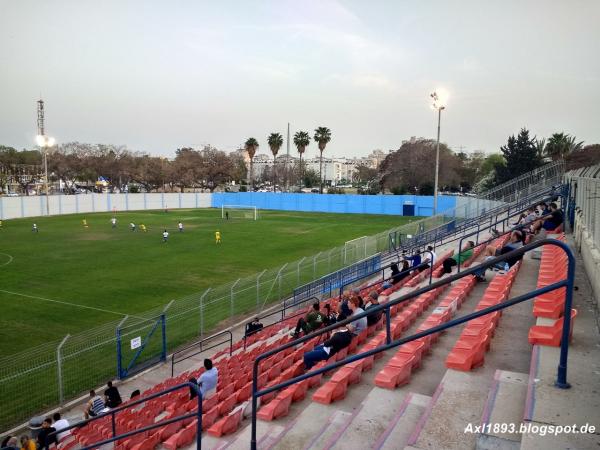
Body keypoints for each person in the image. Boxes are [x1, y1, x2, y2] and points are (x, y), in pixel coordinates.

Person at [303, 297, 367, 370]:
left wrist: (333, 333)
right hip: (331, 348)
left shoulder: (338, 335)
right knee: (315, 349)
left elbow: (328, 343)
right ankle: (314, 363)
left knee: (305, 356)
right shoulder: (346, 333)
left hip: (328, 351)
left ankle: (311, 369)